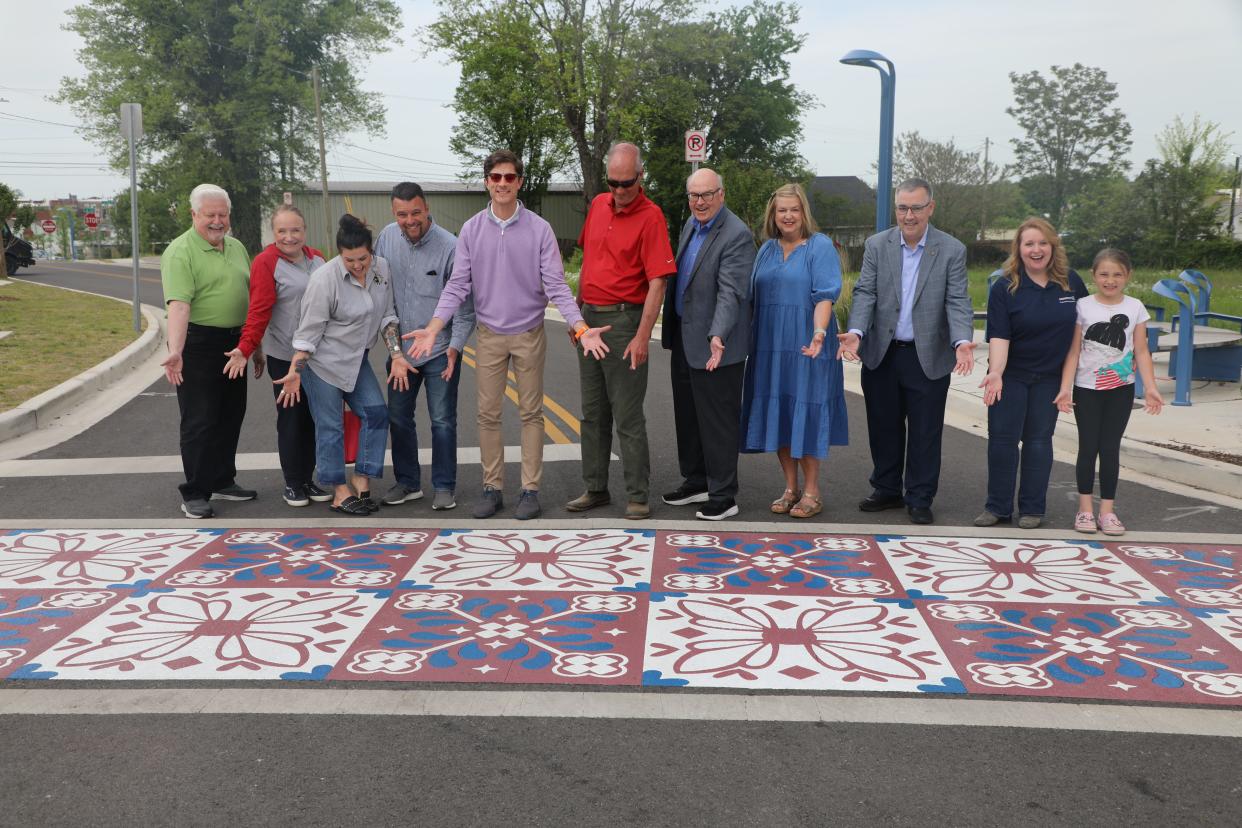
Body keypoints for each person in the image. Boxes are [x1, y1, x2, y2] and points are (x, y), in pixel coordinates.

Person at [404, 150, 610, 520]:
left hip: (529, 333)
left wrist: (580, 328)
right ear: (487, 181)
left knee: (531, 413)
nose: (502, 184)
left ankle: (529, 491)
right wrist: (434, 328)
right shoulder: (471, 230)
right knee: (487, 414)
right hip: (489, 334)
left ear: (519, 182)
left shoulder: (539, 229)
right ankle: (492, 487)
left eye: (509, 178)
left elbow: (557, 287)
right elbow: (457, 286)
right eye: (495, 177)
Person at [837, 178, 974, 525]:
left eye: (916, 207)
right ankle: (886, 488)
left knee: (926, 432)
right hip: (882, 352)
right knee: (883, 425)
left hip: (927, 355)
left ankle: (920, 496)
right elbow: (865, 292)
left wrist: (961, 341)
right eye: (902, 207)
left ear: (930, 207)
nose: (908, 215)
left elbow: (957, 300)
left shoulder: (951, 249)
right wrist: (855, 331)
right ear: (895, 208)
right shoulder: (876, 246)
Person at [566, 142, 677, 520]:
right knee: (592, 413)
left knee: (627, 416)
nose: (618, 191)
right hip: (590, 321)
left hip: (625, 320)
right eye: (612, 182)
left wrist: (643, 336)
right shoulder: (598, 205)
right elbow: (588, 261)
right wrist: (576, 318)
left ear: (640, 176)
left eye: (625, 183)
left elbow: (658, 282)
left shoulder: (652, 217)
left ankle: (637, 494)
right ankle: (595, 487)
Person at [273, 214, 412, 516]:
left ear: (371, 251)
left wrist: (398, 354)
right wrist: (296, 372)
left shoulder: (381, 269)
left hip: (355, 358)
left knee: (376, 413)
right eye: (350, 260)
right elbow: (308, 333)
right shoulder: (324, 279)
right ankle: (338, 491)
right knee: (331, 426)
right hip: (322, 363)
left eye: (362, 258)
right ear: (339, 254)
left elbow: (388, 315)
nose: (358, 265)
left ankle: (361, 478)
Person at [741, 183, 847, 519]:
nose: (788, 216)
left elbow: (825, 297)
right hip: (770, 346)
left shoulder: (819, 247)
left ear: (804, 213)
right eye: (782, 210)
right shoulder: (766, 251)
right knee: (780, 412)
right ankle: (790, 487)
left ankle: (812, 490)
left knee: (806, 411)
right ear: (773, 215)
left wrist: (819, 333)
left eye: (794, 210)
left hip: (806, 347)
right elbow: (751, 300)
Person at [976, 217, 1088, 529]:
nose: (1036, 250)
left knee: (1039, 442)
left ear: (1053, 247)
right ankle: (997, 507)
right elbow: (999, 335)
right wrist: (996, 371)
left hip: (1050, 378)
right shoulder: (1004, 287)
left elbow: (1084, 332)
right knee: (1002, 441)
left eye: (1042, 243)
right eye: (1029, 244)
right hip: (1010, 376)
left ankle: (1032, 509)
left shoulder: (1070, 282)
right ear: (1019, 249)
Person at [660, 167, 755, 521]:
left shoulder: (736, 235)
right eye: (694, 196)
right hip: (687, 337)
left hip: (719, 344)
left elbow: (732, 293)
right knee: (689, 416)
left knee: (717, 422)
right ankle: (697, 480)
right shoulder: (691, 225)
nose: (700, 202)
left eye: (707, 195)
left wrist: (718, 335)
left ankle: (723, 494)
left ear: (722, 194)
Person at [375, 182, 475, 511]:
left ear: (426, 208)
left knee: (443, 420)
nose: (409, 220)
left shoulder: (451, 246)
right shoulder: (387, 238)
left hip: (438, 351)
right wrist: (394, 352)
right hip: (400, 353)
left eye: (416, 212)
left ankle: (445, 486)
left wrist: (455, 348)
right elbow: (380, 295)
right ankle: (408, 482)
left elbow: (464, 307)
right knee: (399, 417)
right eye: (402, 214)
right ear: (394, 213)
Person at [159, 183, 255, 519]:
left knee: (230, 415)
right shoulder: (180, 252)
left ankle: (222, 479)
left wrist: (252, 346)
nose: (217, 221)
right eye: (210, 215)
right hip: (199, 344)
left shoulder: (237, 247)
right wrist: (176, 350)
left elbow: (249, 297)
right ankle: (195, 491)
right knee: (200, 420)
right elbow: (179, 306)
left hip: (234, 345)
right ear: (194, 215)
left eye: (222, 214)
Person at [224, 204, 331, 508]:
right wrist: (246, 348)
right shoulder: (266, 262)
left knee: (313, 418)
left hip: (317, 356)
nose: (289, 237)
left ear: (304, 230)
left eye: (295, 230)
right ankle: (293, 482)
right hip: (285, 356)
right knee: (291, 419)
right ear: (273, 233)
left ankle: (308, 478)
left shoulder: (318, 259)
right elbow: (258, 310)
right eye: (282, 231)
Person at [1054, 248, 1163, 536]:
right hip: (1087, 390)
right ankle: (1086, 510)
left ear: (1127, 276)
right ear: (1093, 275)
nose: (1110, 280)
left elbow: (1141, 350)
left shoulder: (1136, 307)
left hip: (1121, 391)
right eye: (1104, 274)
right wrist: (1065, 388)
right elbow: (1074, 351)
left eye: (1117, 274)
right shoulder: (1083, 306)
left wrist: (1150, 387)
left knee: (1110, 449)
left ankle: (1107, 512)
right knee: (1088, 447)